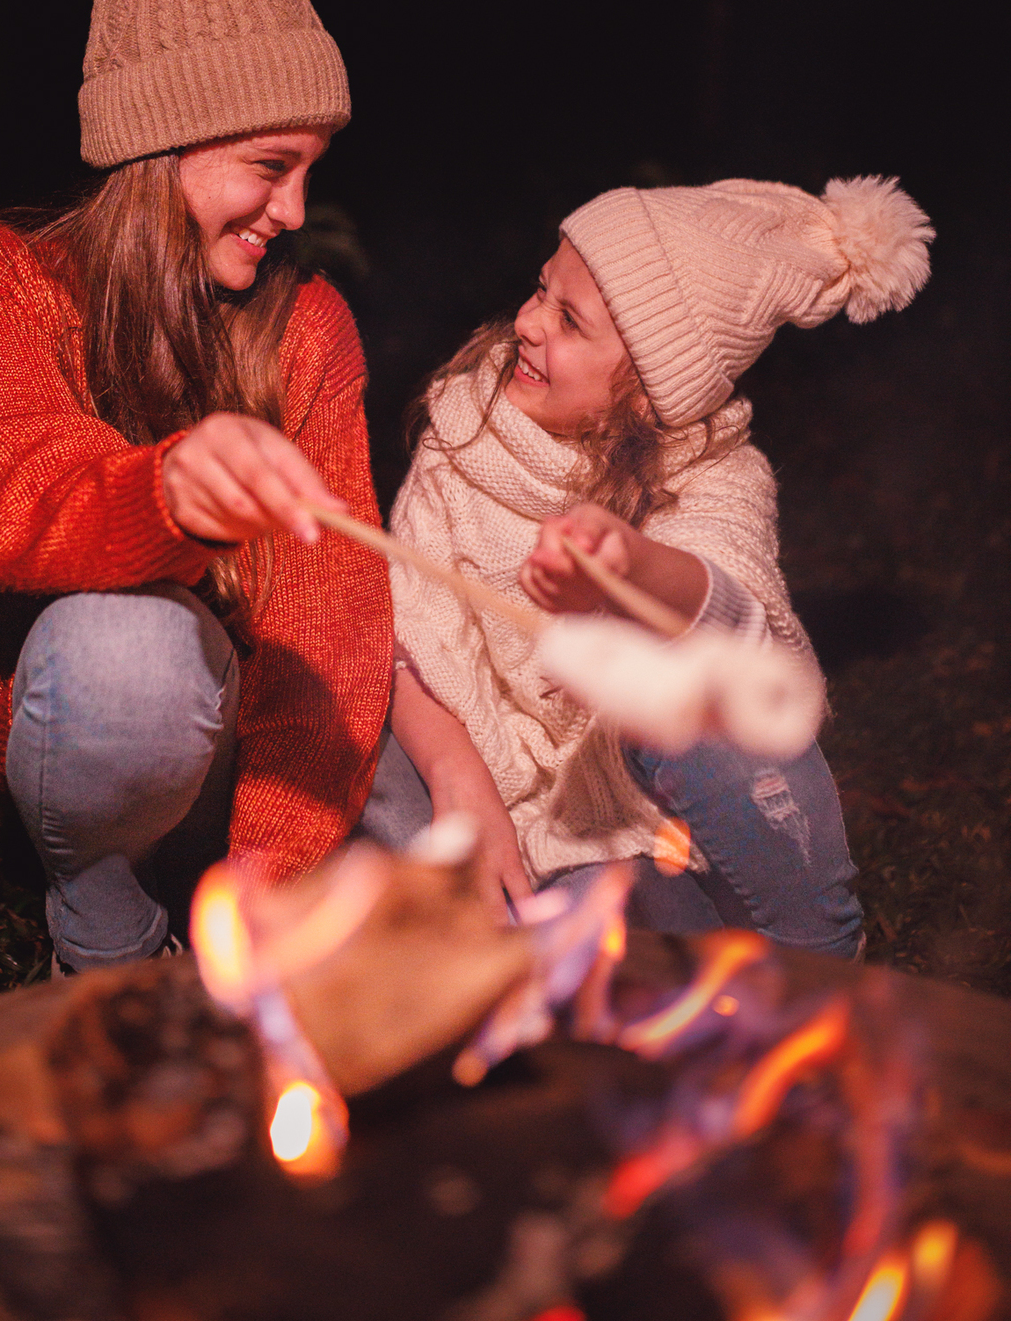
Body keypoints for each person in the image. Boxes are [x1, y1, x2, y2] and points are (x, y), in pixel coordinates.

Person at [0, 0, 393, 974]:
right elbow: (17, 504)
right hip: (100, 749)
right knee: (127, 649)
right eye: (270, 166)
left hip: (247, 768)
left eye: (311, 173)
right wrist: (171, 494)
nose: (295, 212)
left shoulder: (306, 328)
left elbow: (329, 627)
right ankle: (106, 937)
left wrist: (267, 893)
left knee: (416, 834)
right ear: (159, 146)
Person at [361, 175, 934, 958]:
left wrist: (630, 569)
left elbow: (735, 613)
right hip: (543, 824)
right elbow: (411, 634)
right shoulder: (465, 437)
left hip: (675, 824)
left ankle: (822, 964)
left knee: (707, 682)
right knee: (612, 976)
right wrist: (461, 775)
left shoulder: (718, 472)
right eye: (541, 290)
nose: (527, 322)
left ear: (648, 389)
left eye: (570, 320)